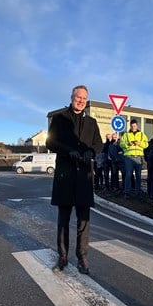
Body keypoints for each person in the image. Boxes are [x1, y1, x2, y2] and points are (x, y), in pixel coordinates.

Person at [46, 85, 103, 274]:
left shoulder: (92, 122)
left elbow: (99, 144)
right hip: (65, 174)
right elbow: (50, 142)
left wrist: (90, 152)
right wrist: (67, 151)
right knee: (63, 218)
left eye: (84, 98)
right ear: (72, 97)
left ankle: (83, 256)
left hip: (84, 176)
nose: (81, 100)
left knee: (84, 219)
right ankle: (62, 256)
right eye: (78, 97)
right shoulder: (60, 118)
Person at [120, 120, 148, 197]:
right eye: (132, 126)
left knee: (138, 175)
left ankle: (138, 192)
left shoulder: (142, 134)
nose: (133, 127)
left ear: (137, 126)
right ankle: (127, 192)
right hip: (129, 157)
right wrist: (128, 144)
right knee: (128, 175)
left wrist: (140, 143)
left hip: (139, 157)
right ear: (130, 126)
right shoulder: (126, 135)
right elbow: (121, 144)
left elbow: (146, 144)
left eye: (134, 126)